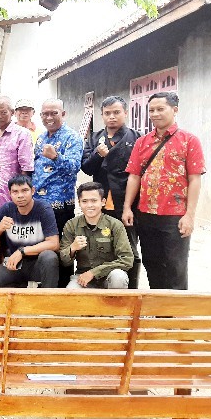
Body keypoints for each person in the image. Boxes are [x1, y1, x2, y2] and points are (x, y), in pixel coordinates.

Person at [123, 92, 206, 290]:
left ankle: (174, 314)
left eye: (160, 109)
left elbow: (195, 179)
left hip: (175, 216)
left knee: (175, 266)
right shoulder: (142, 142)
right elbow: (134, 176)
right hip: (145, 214)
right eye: (151, 110)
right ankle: (159, 312)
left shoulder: (189, 140)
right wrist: (127, 207)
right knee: (152, 264)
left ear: (174, 110)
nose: (155, 114)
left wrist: (190, 215)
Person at [81, 96, 141, 288]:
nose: (112, 117)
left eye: (116, 112)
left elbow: (139, 171)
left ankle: (131, 291)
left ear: (125, 113)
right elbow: (87, 169)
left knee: (129, 248)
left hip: (127, 203)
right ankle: (103, 285)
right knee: (102, 245)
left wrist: (129, 206)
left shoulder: (136, 137)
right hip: (101, 202)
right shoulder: (94, 137)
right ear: (102, 115)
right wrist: (98, 154)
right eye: (107, 113)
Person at [33, 99, 82, 287]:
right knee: (43, 247)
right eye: (45, 114)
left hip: (60, 205)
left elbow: (75, 167)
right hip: (39, 204)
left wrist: (55, 156)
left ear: (63, 114)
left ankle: (62, 290)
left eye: (53, 113)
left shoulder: (72, 137)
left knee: (62, 249)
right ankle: (46, 285)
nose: (49, 117)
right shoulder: (41, 138)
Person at [0, 175, 60, 288]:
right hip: (14, 263)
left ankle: (48, 300)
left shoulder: (43, 209)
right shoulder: (6, 209)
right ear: (10, 193)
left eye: (24, 190)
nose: (20, 196)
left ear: (32, 191)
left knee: (49, 256)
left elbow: (54, 243)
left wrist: (22, 251)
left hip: (38, 263)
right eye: (15, 192)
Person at [60, 182, 133, 289]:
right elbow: (64, 261)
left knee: (119, 277)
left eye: (94, 201)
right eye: (84, 201)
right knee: (71, 291)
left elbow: (127, 259)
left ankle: (116, 306)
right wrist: (72, 248)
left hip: (109, 276)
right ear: (79, 203)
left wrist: (94, 272)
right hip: (82, 277)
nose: (89, 205)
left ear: (103, 202)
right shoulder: (71, 225)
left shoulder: (114, 225)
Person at [0, 96, 34, 218]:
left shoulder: (22, 134)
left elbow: (26, 169)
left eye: (3, 112)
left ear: (12, 113)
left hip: (13, 200)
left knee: (13, 235)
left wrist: (21, 196)